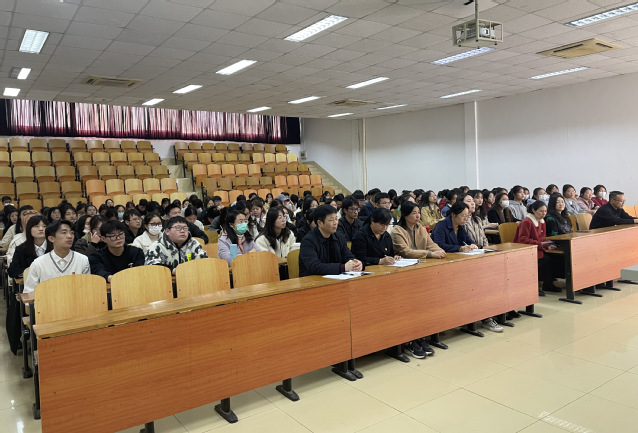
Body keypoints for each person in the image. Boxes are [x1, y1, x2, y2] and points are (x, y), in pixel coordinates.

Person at [24, 220, 91, 293]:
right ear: (51, 238)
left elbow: (86, 289)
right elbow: (29, 292)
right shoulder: (38, 263)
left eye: (71, 233)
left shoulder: (83, 260)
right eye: (64, 232)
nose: (69, 236)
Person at [299, 204, 362, 277]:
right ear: (320, 223)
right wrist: (342, 267)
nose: (335, 223)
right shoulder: (308, 241)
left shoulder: (339, 237)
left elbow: (347, 256)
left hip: (336, 279)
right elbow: (314, 266)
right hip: (312, 280)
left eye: (336, 219)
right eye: (331, 220)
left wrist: (355, 263)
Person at [513, 200, 560, 295]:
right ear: (533, 210)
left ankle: (548, 284)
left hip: (537, 248)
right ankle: (534, 286)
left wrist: (548, 244)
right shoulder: (526, 222)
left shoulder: (542, 222)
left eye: (545, 211)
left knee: (555, 258)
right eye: (541, 211)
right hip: (525, 249)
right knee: (545, 260)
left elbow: (543, 237)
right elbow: (523, 240)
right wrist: (541, 244)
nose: (544, 213)